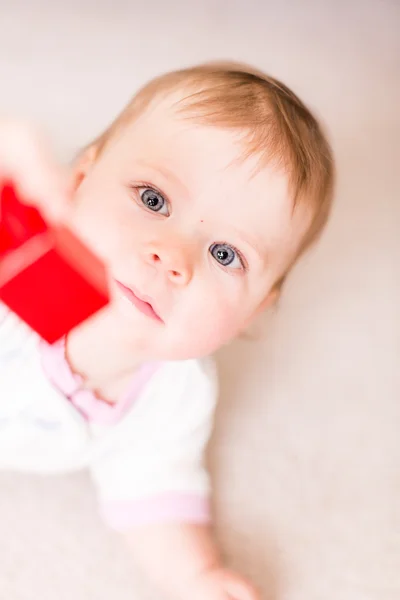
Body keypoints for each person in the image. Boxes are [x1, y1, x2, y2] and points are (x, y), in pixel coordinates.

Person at [0, 62, 334, 600]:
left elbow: (154, 484)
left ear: (251, 314)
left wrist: (193, 576)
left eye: (226, 255)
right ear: (79, 183)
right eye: (153, 199)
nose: (172, 257)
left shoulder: (174, 392)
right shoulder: (19, 257)